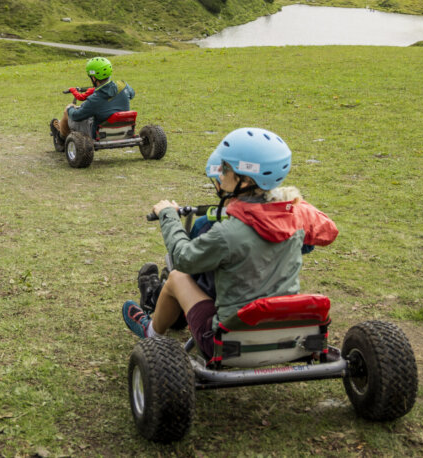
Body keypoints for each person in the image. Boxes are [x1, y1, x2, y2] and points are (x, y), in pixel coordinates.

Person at [122, 128, 339, 359]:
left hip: (229, 344)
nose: (221, 172)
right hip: (289, 335)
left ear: (246, 179)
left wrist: (168, 215)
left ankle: (151, 332)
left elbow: (184, 258)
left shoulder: (227, 233)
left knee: (177, 277)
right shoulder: (295, 219)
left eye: (226, 167)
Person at [51, 57, 134, 140]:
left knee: (68, 111)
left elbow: (77, 116)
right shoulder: (123, 86)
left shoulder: (95, 98)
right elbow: (132, 94)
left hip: (98, 133)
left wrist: (70, 108)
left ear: (94, 78)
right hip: (124, 129)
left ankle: (60, 138)